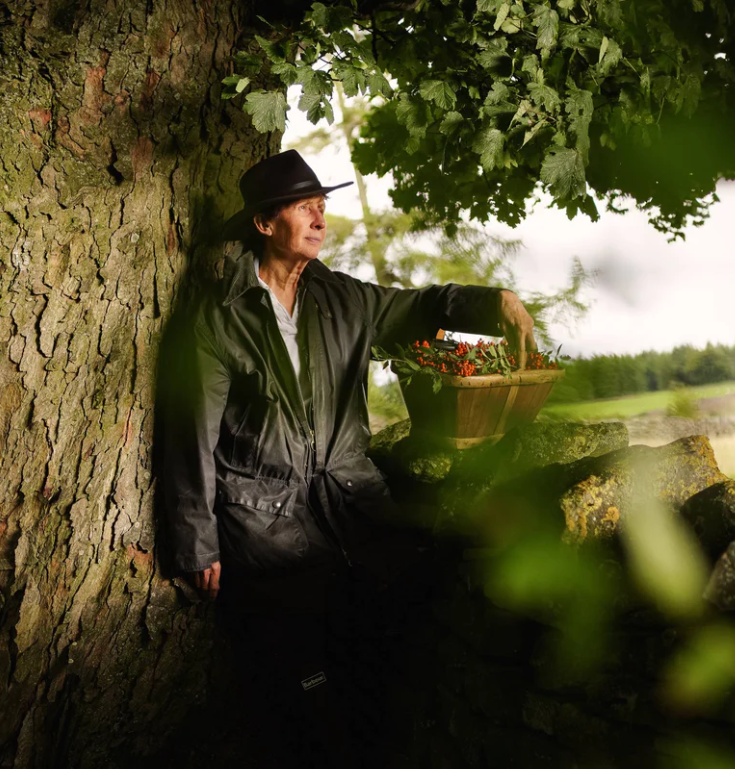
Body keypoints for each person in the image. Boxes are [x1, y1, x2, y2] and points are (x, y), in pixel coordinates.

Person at [163, 150, 537, 766]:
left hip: (354, 509)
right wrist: (196, 541)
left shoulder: (343, 299)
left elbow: (419, 307)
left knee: (382, 668)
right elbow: (191, 434)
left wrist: (491, 301)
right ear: (264, 223)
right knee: (310, 694)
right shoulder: (220, 317)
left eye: (322, 205)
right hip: (265, 528)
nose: (320, 218)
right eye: (304, 207)